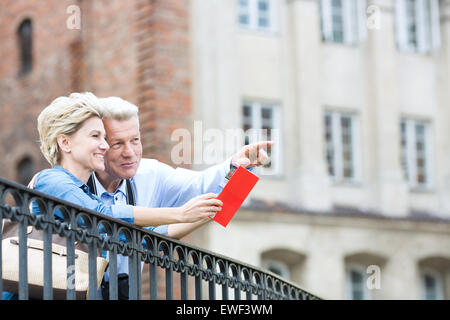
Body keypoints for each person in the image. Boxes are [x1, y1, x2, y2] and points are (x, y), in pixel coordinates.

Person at [1, 92, 223, 300]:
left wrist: (205, 212)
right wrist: (180, 213)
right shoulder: (51, 181)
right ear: (65, 142)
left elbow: (141, 240)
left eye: (105, 137)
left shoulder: (84, 194)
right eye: (96, 136)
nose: (104, 145)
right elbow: (101, 216)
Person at [90, 96, 273, 299]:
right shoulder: (75, 180)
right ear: (100, 145)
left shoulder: (151, 174)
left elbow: (200, 186)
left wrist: (237, 166)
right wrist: (180, 214)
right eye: (117, 144)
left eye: (135, 140)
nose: (130, 152)